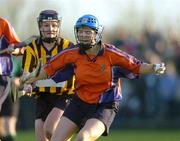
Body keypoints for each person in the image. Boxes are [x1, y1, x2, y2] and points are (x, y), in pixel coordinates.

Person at [21, 14, 166, 141]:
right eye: (80, 32)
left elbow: (136, 66)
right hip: (79, 102)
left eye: (87, 32)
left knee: (83, 138)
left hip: (105, 105)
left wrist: (154, 68)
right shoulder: (72, 52)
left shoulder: (111, 53)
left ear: (96, 34)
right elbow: (48, 69)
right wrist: (29, 79)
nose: (83, 35)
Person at [18, 10, 75, 141]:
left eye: (54, 25)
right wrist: (27, 84)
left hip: (64, 95)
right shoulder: (31, 48)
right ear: (40, 27)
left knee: (50, 130)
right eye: (46, 25)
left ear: (58, 26)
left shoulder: (67, 47)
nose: (50, 29)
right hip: (42, 96)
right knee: (41, 138)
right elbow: (26, 72)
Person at [0, 17, 23, 141]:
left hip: (10, 95)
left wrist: (16, 81)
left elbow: (21, 78)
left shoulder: (13, 62)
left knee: (9, 127)